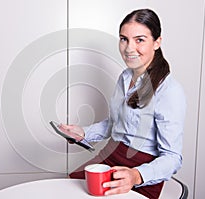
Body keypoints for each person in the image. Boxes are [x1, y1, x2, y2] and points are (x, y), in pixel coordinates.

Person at [59, 8, 186, 199]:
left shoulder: (170, 92)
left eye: (139, 40)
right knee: (69, 189)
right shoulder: (125, 77)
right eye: (124, 39)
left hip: (142, 169)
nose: (128, 48)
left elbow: (173, 158)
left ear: (157, 42)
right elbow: (115, 124)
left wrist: (136, 175)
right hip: (113, 154)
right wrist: (83, 133)